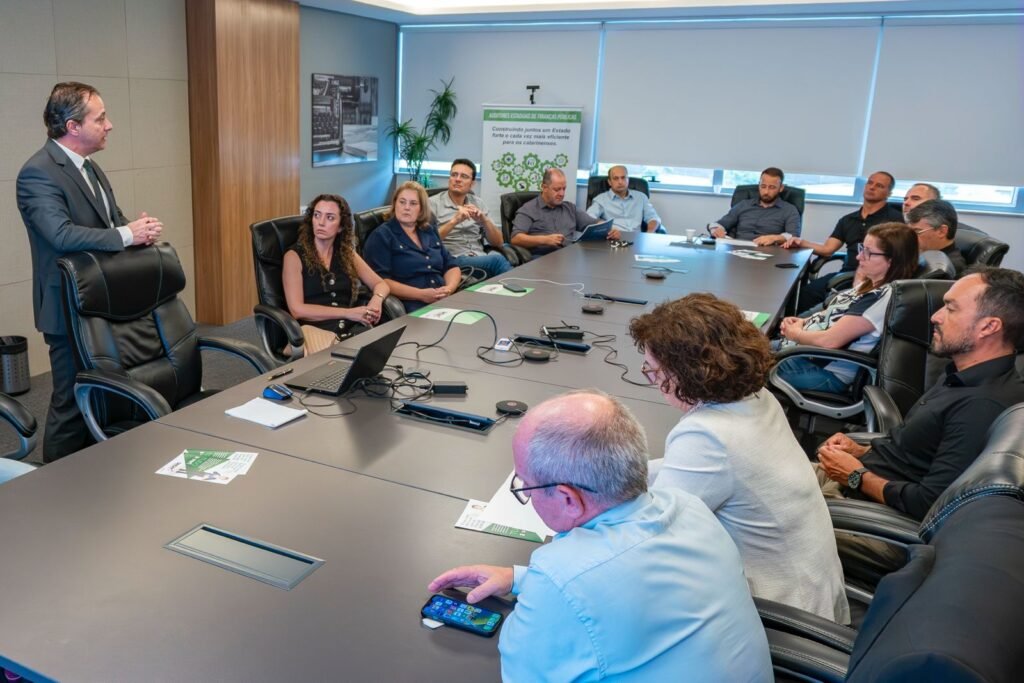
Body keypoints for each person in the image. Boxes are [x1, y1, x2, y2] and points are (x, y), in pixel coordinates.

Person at [429, 390, 772, 682]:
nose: (527, 495)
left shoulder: (562, 580)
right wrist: (520, 579)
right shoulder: (689, 507)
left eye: (526, 486)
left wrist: (546, 585)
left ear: (568, 499)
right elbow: (623, 589)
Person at [629, 295, 850, 624]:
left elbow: (651, 534)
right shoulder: (758, 398)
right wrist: (620, 474)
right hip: (815, 591)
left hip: (781, 615)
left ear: (685, 373)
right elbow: (694, 471)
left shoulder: (707, 435)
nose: (653, 381)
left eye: (653, 370)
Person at [16, 81, 163, 462]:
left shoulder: (91, 168)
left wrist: (137, 231)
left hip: (99, 299)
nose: (109, 125)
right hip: (67, 306)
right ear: (72, 126)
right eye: (100, 118)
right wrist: (125, 235)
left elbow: (110, 223)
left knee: (103, 395)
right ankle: (53, 482)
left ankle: (94, 472)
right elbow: (61, 235)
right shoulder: (37, 173)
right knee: (70, 400)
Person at [815, 267, 1024, 521]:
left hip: (864, 509)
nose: (935, 316)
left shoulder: (982, 405)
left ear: (988, 327)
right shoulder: (960, 374)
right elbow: (916, 457)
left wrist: (856, 476)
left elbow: (930, 505)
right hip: (859, 481)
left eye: (950, 308)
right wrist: (861, 451)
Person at [775, 222, 919, 393]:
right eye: (862, 249)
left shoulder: (881, 298)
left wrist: (795, 333)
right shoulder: (871, 284)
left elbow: (829, 341)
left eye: (868, 252)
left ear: (892, 260)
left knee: (748, 367)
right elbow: (835, 312)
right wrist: (803, 321)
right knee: (749, 348)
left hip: (823, 370)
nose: (859, 257)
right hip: (804, 353)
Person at [282, 194, 390, 355]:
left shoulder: (346, 254)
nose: (321, 222)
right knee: (355, 358)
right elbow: (297, 310)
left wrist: (377, 299)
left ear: (340, 226)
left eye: (330, 217)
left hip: (350, 327)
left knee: (384, 351)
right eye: (317, 215)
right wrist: (348, 313)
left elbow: (381, 284)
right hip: (316, 331)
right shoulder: (294, 256)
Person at [786, 170, 904, 313]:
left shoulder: (896, 221)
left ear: (889, 193)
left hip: (876, 277)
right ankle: (792, 324)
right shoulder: (848, 219)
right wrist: (800, 242)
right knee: (806, 292)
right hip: (846, 274)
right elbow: (828, 249)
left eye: (879, 186)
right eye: (870, 183)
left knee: (831, 302)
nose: (872, 187)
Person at [363, 181, 461, 313]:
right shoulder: (381, 236)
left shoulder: (428, 230)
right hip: (412, 303)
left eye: (413, 203)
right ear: (395, 204)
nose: (406, 207)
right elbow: (381, 281)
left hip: (444, 298)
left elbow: (451, 265)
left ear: (421, 209)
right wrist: (420, 294)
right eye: (402, 202)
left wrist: (449, 288)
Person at [428, 158, 511, 278]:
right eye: (454, 175)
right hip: (452, 258)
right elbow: (428, 242)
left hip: (479, 256)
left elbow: (498, 242)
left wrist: (484, 220)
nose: (457, 179)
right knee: (497, 261)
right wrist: (454, 221)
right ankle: (518, 287)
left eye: (464, 176)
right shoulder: (432, 204)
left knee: (502, 257)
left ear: (472, 184)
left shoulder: (478, 203)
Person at [510, 168, 620, 256]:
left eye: (564, 189)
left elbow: (593, 224)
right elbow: (516, 239)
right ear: (544, 187)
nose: (562, 194)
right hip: (542, 259)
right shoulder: (528, 209)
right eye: (557, 189)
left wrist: (610, 229)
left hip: (569, 258)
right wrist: (544, 240)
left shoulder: (569, 208)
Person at [709, 167, 800, 245]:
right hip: (737, 249)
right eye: (763, 186)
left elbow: (793, 236)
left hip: (768, 252)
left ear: (781, 188)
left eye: (772, 187)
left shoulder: (789, 210)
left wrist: (775, 238)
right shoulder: (744, 205)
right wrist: (716, 230)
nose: (766, 192)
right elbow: (717, 224)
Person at [586, 165, 664, 233]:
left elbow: (653, 217)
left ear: (628, 180)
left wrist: (650, 232)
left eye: (623, 178)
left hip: (637, 239)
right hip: (613, 239)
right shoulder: (600, 199)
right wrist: (606, 227)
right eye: (616, 178)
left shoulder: (641, 197)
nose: (620, 182)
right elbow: (589, 218)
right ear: (609, 182)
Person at [906, 199, 967, 276]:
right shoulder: (923, 254)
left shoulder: (944, 269)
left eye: (917, 232)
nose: (910, 238)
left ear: (941, 231)